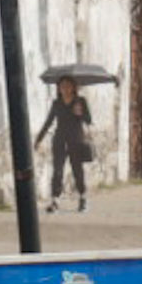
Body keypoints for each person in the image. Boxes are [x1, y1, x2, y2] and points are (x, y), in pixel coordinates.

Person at [37, 76, 94, 213]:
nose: (65, 89)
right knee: (57, 170)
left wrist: (80, 113)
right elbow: (49, 121)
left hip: (76, 139)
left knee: (77, 170)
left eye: (68, 86)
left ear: (74, 88)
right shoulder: (56, 103)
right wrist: (39, 139)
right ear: (59, 89)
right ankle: (55, 201)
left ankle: (83, 198)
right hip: (60, 139)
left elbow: (89, 120)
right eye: (62, 86)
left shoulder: (80, 101)